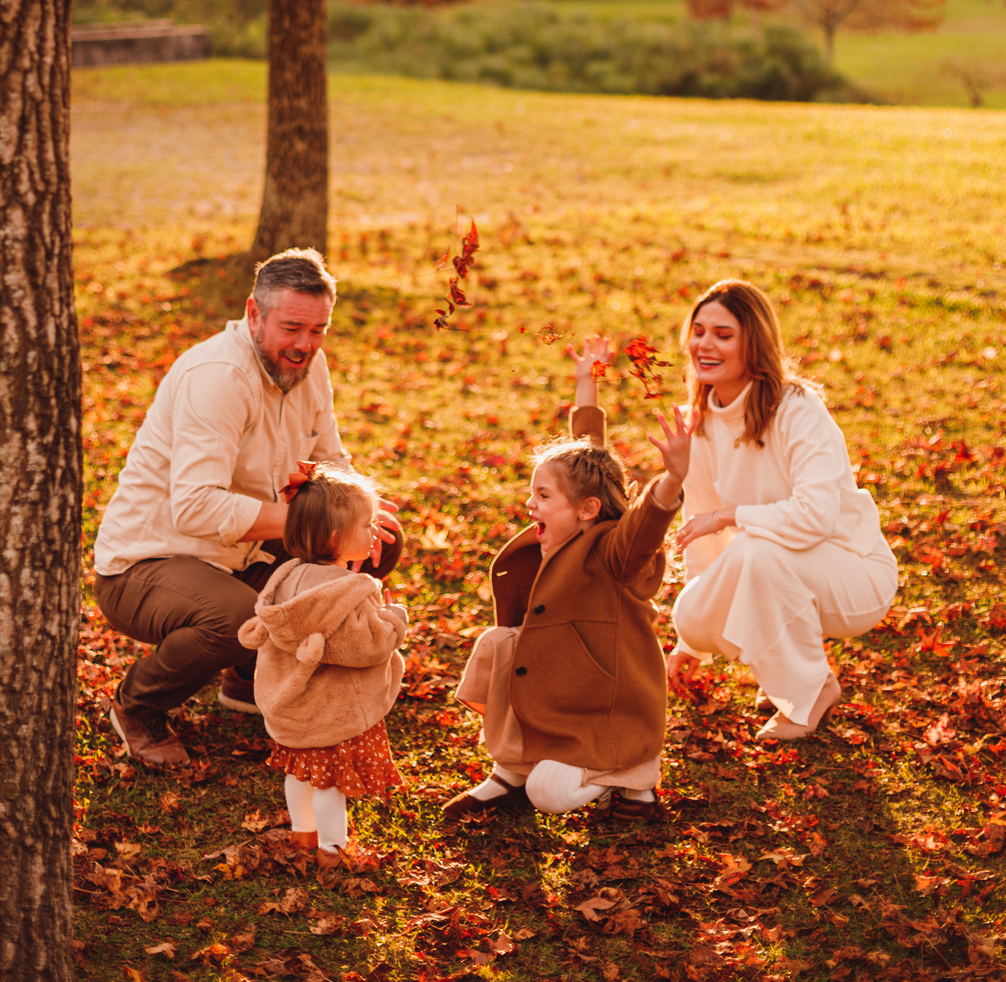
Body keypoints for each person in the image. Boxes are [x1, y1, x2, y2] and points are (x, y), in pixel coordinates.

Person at [93, 247, 401, 770]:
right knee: (236, 616)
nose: (305, 345)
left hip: (245, 550)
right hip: (148, 564)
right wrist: (317, 520)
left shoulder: (308, 365)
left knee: (378, 542)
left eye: (319, 329)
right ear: (254, 314)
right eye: (292, 328)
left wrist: (359, 508)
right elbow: (194, 508)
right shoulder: (218, 376)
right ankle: (139, 706)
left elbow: (330, 458)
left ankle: (249, 677)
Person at [443, 335, 689, 824]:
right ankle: (509, 770)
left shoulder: (613, 551)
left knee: (550, 793)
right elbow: (589, 460)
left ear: (586, 511)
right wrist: (586, 389)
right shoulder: (572, 519)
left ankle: (632, 777)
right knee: (502, 644)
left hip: (607, 705)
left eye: (543, 496)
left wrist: (673, 481)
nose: (530, 504)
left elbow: (643, 526)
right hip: (562, 686)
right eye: (532, 493)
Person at [668, 279, 898, 741]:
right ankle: (781, 672)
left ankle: (810, 693)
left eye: (723, 334)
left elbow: (815, 518)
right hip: (771, 570)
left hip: (854, 573)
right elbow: (703, 533)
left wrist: (730, 516)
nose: (704, 344)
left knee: (757, 550)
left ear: (752, 343)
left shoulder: (797, 409)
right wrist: (690, 641)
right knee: (692, 611)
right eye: (698, 330)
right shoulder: (701, 422)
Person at [238, 466, 408, 884]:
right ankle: (334, 853)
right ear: (335, 539)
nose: (373, 533)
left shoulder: (286, 578)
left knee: (299, 773)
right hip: (331, 711)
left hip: (294, 707)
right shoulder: (347, 591)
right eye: (366, 525)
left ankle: (303, 836)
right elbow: (365, 646)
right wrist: (394, 619)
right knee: (331, 784)